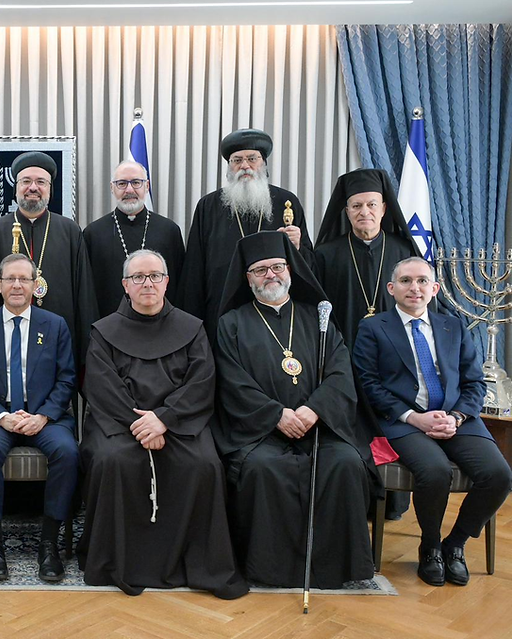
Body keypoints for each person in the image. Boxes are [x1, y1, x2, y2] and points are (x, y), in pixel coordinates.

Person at [78, 249, 248, 598]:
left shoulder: (192, 327)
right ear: (125, 285)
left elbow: (202, 381)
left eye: (155, 276)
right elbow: (102, 386)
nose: (148, 284)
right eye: (138, 277)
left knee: (203, 464)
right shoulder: (104, 331)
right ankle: (119, 563)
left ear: (167, 282)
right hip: (121, 423)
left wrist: (164, 419)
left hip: (178, 421)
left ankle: (196, 563)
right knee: (114, 461)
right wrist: (140, 425)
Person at [213, 231, 375, 588]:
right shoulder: (232, 323)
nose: (270, 275)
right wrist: (277, 415)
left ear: (290, 270)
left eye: (276, 267)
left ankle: (337, 568)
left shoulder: (317, 318)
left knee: (346, 463)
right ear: (247, 278)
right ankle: (272, 570)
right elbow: (231, 381)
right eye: (260, 270)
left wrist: (314, 410)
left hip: (319, 426)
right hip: (260, 432)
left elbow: (339, 370)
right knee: (262, 469)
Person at [353, 257, 512, 587]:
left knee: (499, 475)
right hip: (404, 421)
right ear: (391, 288)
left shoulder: (453, 325)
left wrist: (455, 417)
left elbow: (474, 382)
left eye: (423, 281)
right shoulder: (373, 327)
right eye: (407, 280)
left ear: (435, 288)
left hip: (457, 419)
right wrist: (415, 418)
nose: (415, 288)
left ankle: (455, 544)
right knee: (434, 471)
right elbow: (367, 383)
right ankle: (430, 547)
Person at [315, 167, 429, 520]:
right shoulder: (327, 254)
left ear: (383, 208)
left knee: (390, 421)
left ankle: (392, 502)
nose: (364, 212)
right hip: (343, 358)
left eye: (371, 205)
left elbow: (421, 304)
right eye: (355, 206)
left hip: (394, 360)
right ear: (345, 211)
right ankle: (354, 501)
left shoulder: (402, 250)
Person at [0, 253, 79, 583]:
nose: (16, 285)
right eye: (9, 279)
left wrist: (42, 416)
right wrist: (1, 417)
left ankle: (49, 543)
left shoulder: (55, 325)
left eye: (23, 279)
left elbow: (67, 378)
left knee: (68, 453)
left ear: (34, 285)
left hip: (44, 418)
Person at [0, 151, 98, 365]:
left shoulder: (70, 231)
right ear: (16, 187)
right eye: (26, 181)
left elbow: (84, 292)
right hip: (7, 337)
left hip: (58, 339)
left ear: (50, 189)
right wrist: (5, 280)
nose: (33, 188)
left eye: (41, 182)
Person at [182, 128, 314, 341]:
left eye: (252, 158)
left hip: (277, 314)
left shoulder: (286, 202)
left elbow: (310, 267)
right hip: (221, 312)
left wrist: (297, 248)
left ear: (264, 164)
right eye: (237, 160)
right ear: (229, 168)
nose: (244, 166)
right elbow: (194, 271)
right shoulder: (209, 206)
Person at [83, 161, 186, 316]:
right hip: (109, 327)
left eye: (136, 183)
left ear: (147, 186)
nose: (129, 189)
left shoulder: (169, 230)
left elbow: (181, 286)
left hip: (161, 325)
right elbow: (87, 292)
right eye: (122, 183)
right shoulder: (93, 233)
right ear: (112, 188)